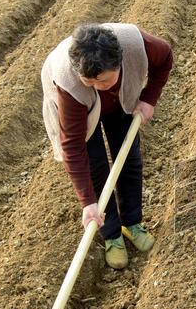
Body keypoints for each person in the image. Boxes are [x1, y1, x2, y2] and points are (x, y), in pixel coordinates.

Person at [41, 23, 173, 269]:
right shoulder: (69, 84)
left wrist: (149, 98)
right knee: (97, 167)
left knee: (129, 158)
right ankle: (112, 235)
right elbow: (73, 147)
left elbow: (165, 58)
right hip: (81, 110)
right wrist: (87, 202)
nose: (98, 86)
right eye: (89, 81)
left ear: (119, 63)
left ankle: (132, 223)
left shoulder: (136, 45)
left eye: (103, 80)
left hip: (120, 101)